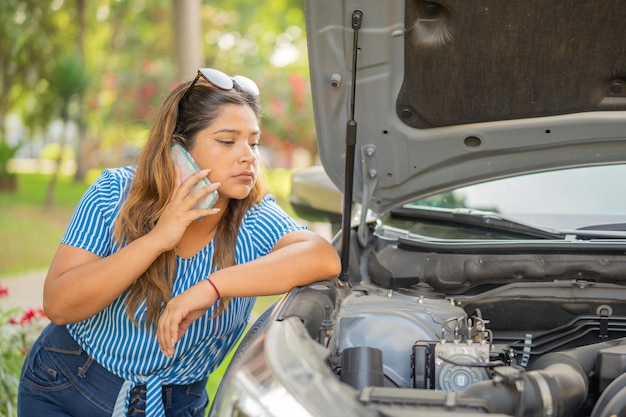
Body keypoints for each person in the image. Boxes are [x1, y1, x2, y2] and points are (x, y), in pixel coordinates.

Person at [17, 68, 341, 417]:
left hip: (174, 403)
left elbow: (322, 256)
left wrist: (211, 287)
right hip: (67, 385)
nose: (249, 155)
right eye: (228, 141)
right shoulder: (113, 194)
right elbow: (59, 304)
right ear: (177, 150)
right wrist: (158, 238)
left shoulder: (254, 217)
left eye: (254, 141)